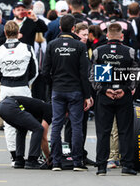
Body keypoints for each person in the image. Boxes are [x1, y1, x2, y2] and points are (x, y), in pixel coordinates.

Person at [42, 14, 93, 171]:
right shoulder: (79, 46)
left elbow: (44, 71)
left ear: (59, 28)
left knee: (56, 125)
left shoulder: (51, 45)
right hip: (75, 91)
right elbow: (84, 73)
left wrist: (52, 85)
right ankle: (77, 162)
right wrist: (87, 95)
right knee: (76, 125)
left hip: (58, 90)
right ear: (73, 29)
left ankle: (56, 162)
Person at [90, 23, 138, 176]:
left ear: (107, 36)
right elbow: (136, 76)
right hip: (124, 97)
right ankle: (127, 166)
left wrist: (105, 90)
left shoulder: (98, 51)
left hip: (104, 97)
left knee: (103, 132)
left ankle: (101, 167)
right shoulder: (129, 52)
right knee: (125, 131)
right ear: (122, 36)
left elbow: (92, 77)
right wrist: (125, 89)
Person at [0, 20, 38, 164]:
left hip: (6, 88)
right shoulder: (27, 48)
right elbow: (35, 71)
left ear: (5, 33)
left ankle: (15, 157)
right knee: (29, 122)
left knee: (9, 123)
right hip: (22, 88)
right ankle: (32, 156)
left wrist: (6, 82)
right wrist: (25, 83)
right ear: (18, 33)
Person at [0, 96, 52, 169]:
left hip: (1, 107)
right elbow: (43, 137)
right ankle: (32, 160)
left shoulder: (43, 106)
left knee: (22, 128)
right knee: (38, 129)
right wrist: (49, 158)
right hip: (10, 105)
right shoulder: (50, 110)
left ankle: (19, 160)